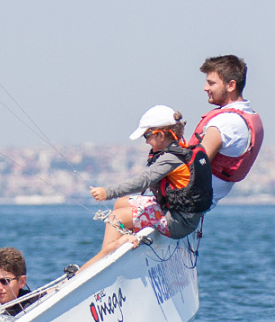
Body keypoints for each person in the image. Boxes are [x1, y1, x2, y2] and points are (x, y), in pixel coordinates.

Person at [80, 105, 213, 270]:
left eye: (147, 136)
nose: (146, 141)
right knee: (121, 203)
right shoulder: (182, 150)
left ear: (161, 135)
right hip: (182, 215)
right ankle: (123, 246)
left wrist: (108, 192)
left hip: (178, 223)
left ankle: (103, 265)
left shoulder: (170, 158)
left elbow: (142, 181)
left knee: (115, 218)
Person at [188, 55, 264, 207]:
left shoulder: (227, 123)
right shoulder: (247, 115)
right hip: (195, 205)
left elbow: (193, 166)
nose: (205, 88)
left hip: (181, 206)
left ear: (231, 85)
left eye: (211, 83)